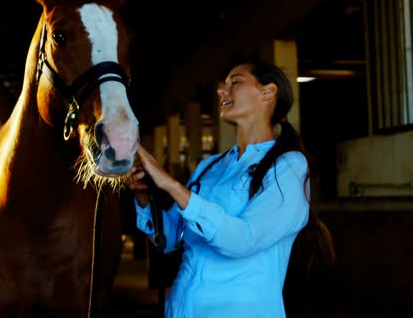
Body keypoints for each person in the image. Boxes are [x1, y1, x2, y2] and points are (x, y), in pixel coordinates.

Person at [127, 59, 334, 317]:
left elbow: (242, 240)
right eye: (223, 85)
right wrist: (144, 194)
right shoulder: (210, 166)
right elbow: (170, 239)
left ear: (268, 92)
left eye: (235, 82)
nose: (221, 90)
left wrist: (170, 184)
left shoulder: (289, 166)